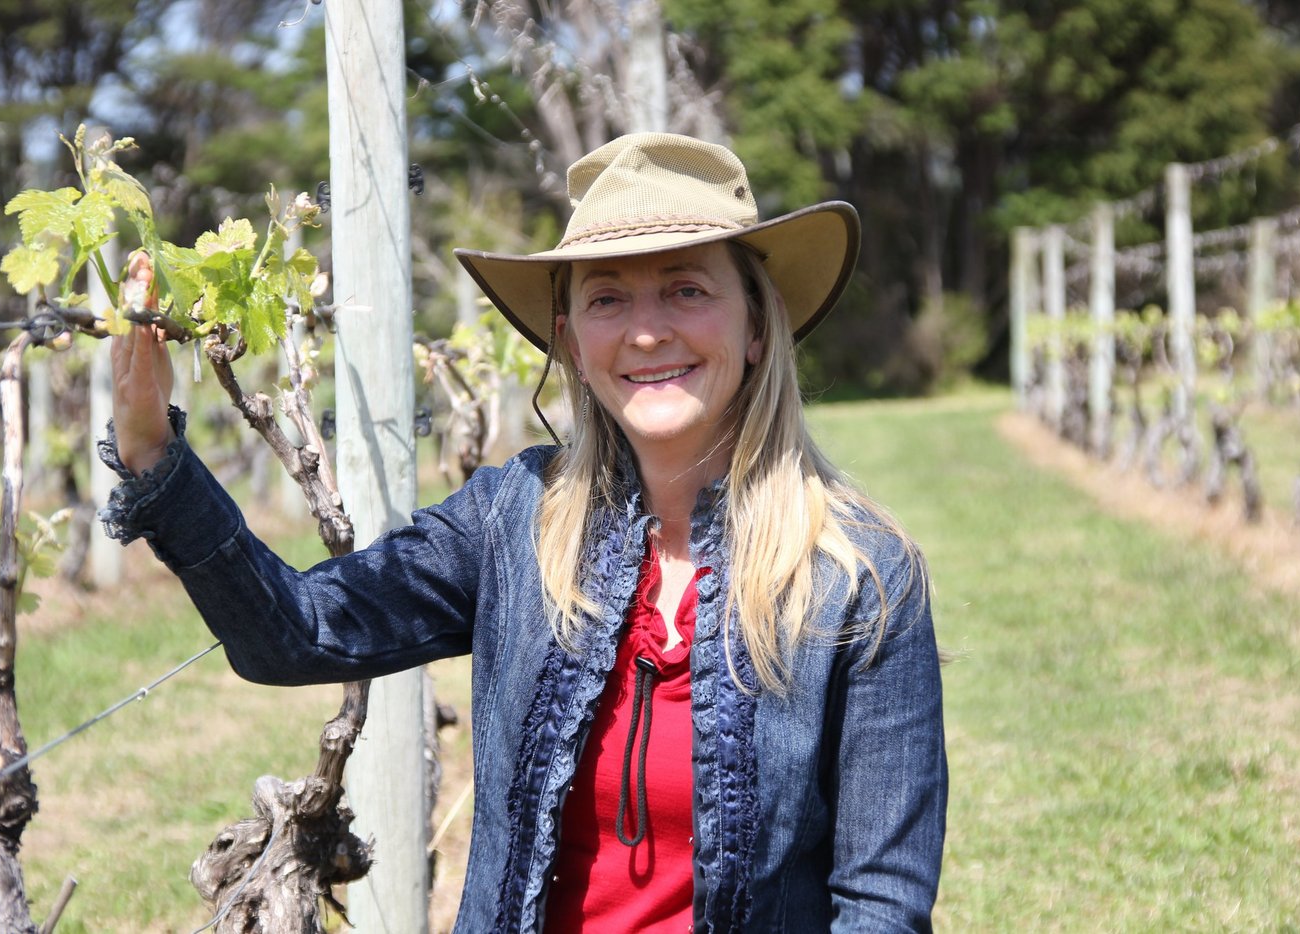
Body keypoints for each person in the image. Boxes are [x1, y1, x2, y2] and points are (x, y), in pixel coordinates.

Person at [106, 133, 947, 932]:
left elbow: (880, 903)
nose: (647, 330)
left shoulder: (860, 576)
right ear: (572, 344)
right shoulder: (514, 520)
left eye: (687, 288)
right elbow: (294, 633)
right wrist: (155, 459)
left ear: (757, 326)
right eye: (607, 298)